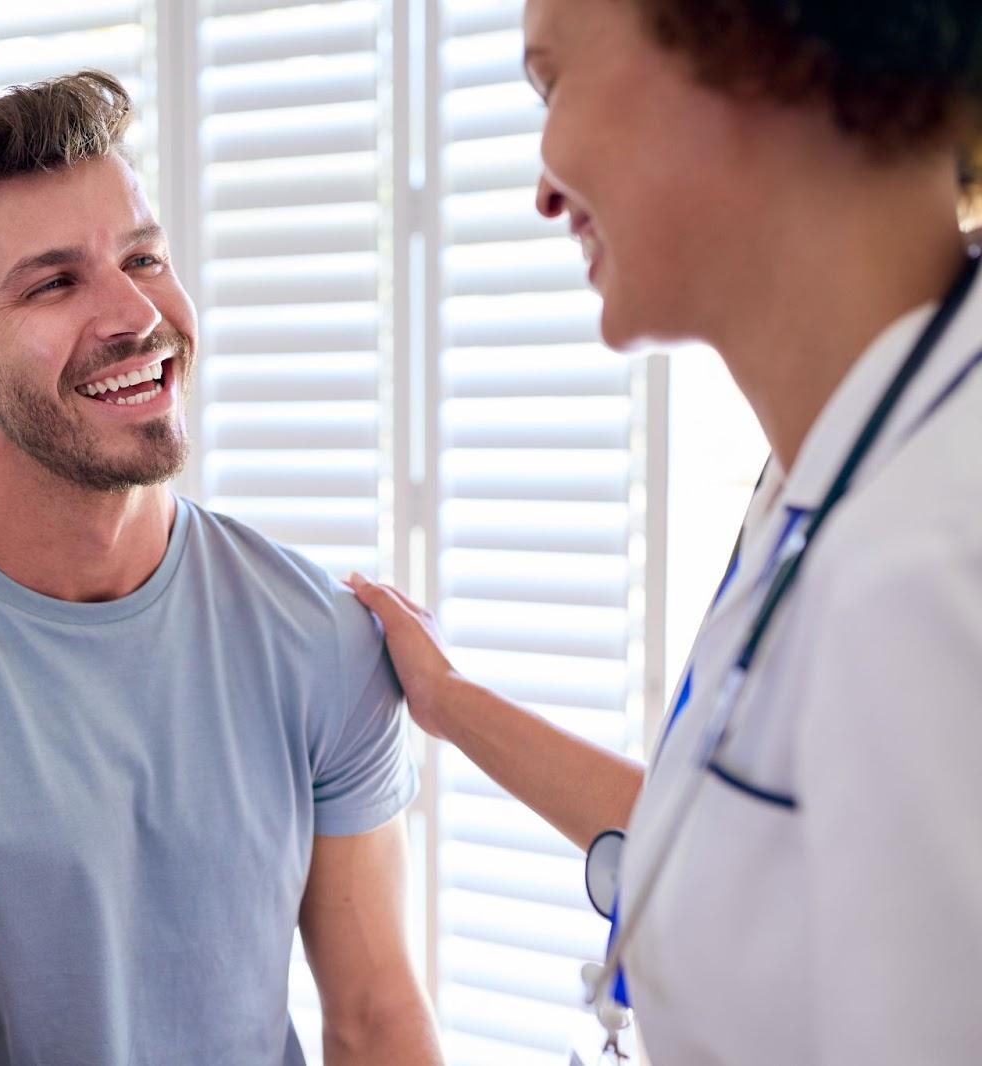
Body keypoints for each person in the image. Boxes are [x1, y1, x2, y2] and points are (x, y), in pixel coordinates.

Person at [0, 72, 443, 1065]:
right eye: (55, 282)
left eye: (143, 256)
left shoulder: (317, 634)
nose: (136, 311)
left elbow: (378, 1019)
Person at [348, 1, 982, 1063]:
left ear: (759, 48)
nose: (544, 187)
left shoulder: (931, 560)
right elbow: (748, 831)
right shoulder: (834, 467)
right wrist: (448, 704)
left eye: (553, 87)